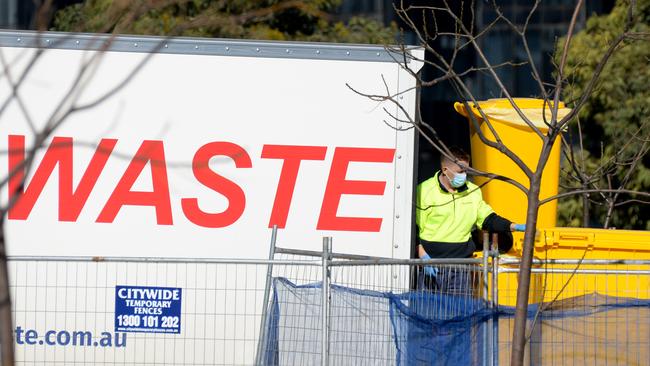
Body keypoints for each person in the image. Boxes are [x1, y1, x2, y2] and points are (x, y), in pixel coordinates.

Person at [415, 146, 525, 294]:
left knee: (460, 314)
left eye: (467, 171)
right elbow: (413, 229)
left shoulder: (473, 191)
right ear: (445, 170)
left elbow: (487, 219)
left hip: (461, 267)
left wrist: (513, 226)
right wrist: (422, 256)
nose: (465, 175)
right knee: (428, 314)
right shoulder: (423, 191)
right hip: (431, 265)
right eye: (461, 171)